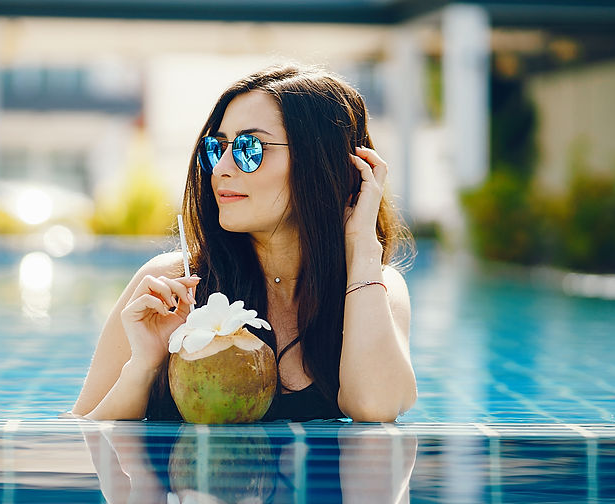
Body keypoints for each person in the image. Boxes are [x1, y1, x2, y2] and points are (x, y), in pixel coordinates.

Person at [72, 64, 416, 423]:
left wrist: (362, 244)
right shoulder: (168, 286)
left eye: (248, 148)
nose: (220, 168)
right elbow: (81, 441)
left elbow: (376, 407)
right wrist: (143, 366)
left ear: (324, 164)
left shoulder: (374, 287)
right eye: (216, 147)